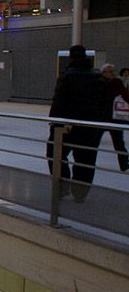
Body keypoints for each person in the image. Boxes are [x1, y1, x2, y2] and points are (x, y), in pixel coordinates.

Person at [47, 45, 110, 202]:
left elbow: (58, 101)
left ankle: (62, 187)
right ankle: (80, 193)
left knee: (55, 154)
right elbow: (105, 103)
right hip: (90, 127)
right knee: (85, 160)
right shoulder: (97, 77)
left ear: (71, 57)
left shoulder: (66, 76)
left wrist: (54, 122)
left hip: (67, 126)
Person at [101, 63, 129, 172]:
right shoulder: (101, 82)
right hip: (106, 117)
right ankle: (124, 163)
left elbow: (125, 95)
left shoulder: (115, 82)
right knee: (118, 142)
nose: (112, 73)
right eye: (110, 71)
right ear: (103, 73)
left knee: (118, 142)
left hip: (111, 117)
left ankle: (124, 163)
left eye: (113, 71)